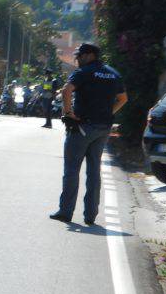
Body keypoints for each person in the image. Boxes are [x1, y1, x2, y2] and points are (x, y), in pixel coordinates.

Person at [50, 44, 128, 225]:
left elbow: (66, 90)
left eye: (80, 56)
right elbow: (123, 99)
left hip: (82, 126)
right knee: (94, 171)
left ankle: (65, 211)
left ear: (89, 55)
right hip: (103, 128)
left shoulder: (84, 72)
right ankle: (91, 214)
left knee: (71, 169)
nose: (77, 60)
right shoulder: (113, 73)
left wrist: (68, 113)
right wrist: (109, 113)